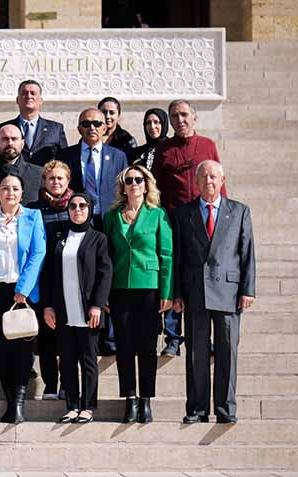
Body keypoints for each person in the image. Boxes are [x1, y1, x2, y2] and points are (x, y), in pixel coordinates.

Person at [172, 160, 255, 424]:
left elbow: (247, 253)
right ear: (196, 183)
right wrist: (177, 293)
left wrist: (248, 289)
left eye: (214, 176)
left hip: (229, 292)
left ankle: (225, 408)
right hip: (195, 291)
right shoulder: (183, 214)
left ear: (222, 180)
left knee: (227, 352)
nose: (209, 180)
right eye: (204, 176)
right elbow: (178, 257)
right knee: (196, 352)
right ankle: (197, 408)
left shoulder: (239, 211)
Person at [152, 99, 225, 357]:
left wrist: (223, 217)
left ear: (194, 118)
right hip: (174, 221)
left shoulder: (207, 145)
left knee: (206, 274)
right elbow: (156, 188)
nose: (179, 120)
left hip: (204, 220)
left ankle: (209, 336)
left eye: (184, 115)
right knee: (175, 274)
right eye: (174, 116)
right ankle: (173, 337)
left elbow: (219, 182)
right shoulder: (164, 149)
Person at [0, 174, 46, 424]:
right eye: (5, 188)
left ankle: (19, 402)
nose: (10, 193)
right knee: (1, 349)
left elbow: (38, 253)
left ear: (22, 192)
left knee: (23, 349)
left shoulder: (33, 217)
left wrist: (24, 288)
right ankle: (8, 399)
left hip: (23, 292)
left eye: (15, 188)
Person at [103, 165, 173, 423]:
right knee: (124, 346)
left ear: (146, 184)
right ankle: (130, 399)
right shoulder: (111, 217)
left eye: (138, 180)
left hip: (149, 287)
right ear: (123, 186)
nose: (133, 184)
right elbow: (106, 257)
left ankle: (146, 400)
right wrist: (104, 293)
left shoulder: (158, 215)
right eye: (128, 180)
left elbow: (166, 255)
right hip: (120, 287)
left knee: (146, 346)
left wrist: (166, 291)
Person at [43, 193, 112, 424]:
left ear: (90, 209)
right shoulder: (59, 237)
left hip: (87, 310)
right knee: (67, 360)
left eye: (83, 206)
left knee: (89, 360)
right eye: (73, 206)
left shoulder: (98, 239)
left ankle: (88, 406)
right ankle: (72, 406)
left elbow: (105, 274)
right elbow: (50, 274)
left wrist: (97, 306)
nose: (78, 209)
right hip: (63, 309)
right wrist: (48, 306)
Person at [26, 160, 74, 400]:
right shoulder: (33, 210)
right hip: (42, 277)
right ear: (44, 181)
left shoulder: (77, 207)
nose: (55, 182)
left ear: (68, 181)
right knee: (46, 336)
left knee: (66, 334)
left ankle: (67, 382)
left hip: (70, 279)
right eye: (51, 178)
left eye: (60, 178)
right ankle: (50, 384)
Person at [58, 108, 129, 230]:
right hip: (77, 219)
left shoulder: (118, 156)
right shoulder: (66, 156)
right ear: (79, 129)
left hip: (110, 220)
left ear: (104, 128)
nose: (92, 128)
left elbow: (125, 189)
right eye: (86, 124)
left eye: (97, 124)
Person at [0, 79, 67, 166]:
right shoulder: (3, 129)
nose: (29, 96)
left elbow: (64, 160)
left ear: (41, 101)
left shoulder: (56, 129)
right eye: (24, 93)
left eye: (33, 93)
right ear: (17, 100)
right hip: (12, 177)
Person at [0, 124, 42, 204]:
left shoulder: (39, 174)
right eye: (5, 139)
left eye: (14, 139)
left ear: (22, 144)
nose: (10, 143)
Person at [98, 97, 138, 162]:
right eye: (104, 112)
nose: (107, 116)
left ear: (118, 116)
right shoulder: (90, 135)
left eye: (112, 113)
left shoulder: (126, 139)